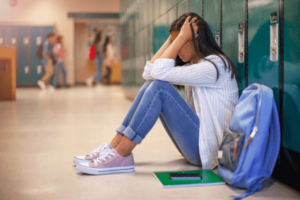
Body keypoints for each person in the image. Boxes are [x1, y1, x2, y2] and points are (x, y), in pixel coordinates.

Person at [74, 12, 239, 175]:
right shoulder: (195, 66)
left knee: (160, 88)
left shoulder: (216, 66)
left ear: (196, 40)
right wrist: (175, 38)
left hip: (210, 151)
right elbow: (149, 72)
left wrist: (180, 38)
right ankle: (114, 148)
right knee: (152, 84)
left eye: (181, 42)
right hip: (200, 145)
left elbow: (158, 73)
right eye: (174, 42)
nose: (177, 48)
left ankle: (122, 153)